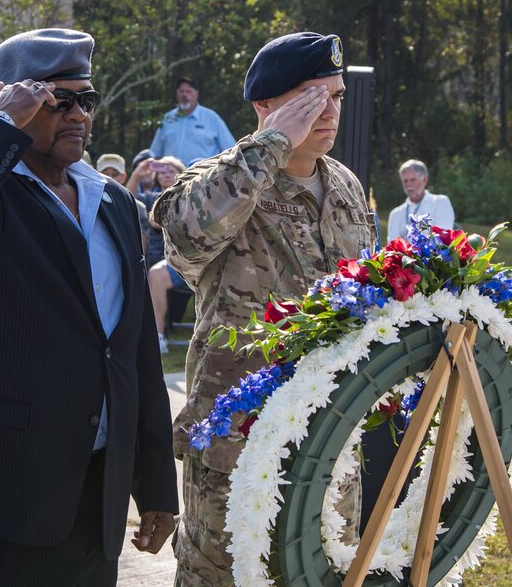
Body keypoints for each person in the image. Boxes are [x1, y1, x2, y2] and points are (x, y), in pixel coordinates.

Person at [0, 28, 178, 586]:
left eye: (87, 100)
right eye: (59, 102)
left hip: (93, 491)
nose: (78, 115)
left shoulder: (115, 202)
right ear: (16, 104)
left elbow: (132, 352)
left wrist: (154, 484)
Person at [153, 32, 377, 586]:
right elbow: (184, 241)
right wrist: (273, 142)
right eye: (310, 97)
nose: (328, 112)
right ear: (263, 106)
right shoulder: (221, 180)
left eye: (337, 96)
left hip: (330, 436)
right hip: (239, 442)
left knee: (325, 572)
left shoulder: (346, 186)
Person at [148, 77, 236, 164]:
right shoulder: (167, 119)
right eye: (181, 91)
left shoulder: (212, 118)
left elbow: (231, 150)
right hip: (171, 176)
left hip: (204, 176)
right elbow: (155, 154)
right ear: (176, 94)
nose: (184, 95)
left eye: (188, 91)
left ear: (196, 94)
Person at [97, 153, 151, 260]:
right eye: (104, 173)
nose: (109, 178)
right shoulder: (87, 204)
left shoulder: (138, 208)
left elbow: (142, 248)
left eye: (115, 174)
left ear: (123, 177)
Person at [386, 158, 455, 241]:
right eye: (405, 181)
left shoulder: (440, 203)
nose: (409, 185)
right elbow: (393, 246)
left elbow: (443, 238)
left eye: (413, 180)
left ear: (425, 180)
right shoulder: (395, 214)